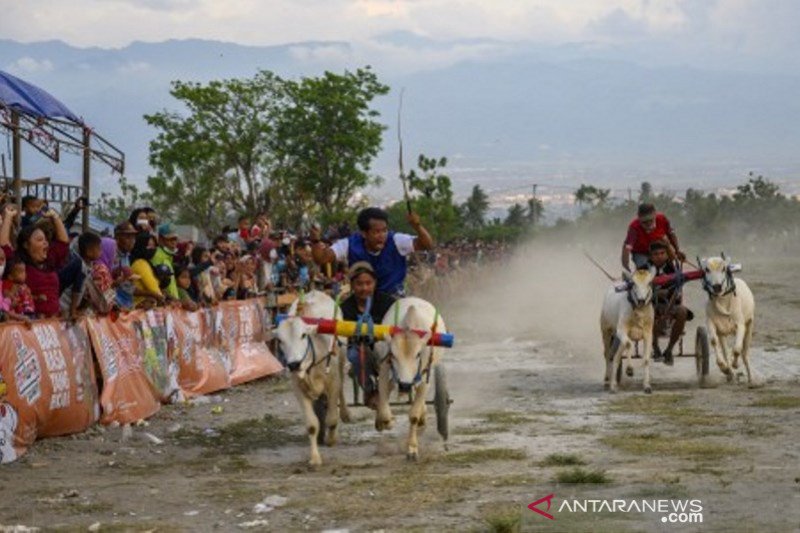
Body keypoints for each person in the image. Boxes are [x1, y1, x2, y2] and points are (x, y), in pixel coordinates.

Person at [311, 207, 434, 296]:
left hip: (394, 298)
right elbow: (321, 258)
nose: (382, 236)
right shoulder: (349, 244)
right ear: (364, 233)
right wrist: (315, 240)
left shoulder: (396, 240)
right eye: (376, 232)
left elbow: (427, 245)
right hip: (361, 298)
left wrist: (417, 226)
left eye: (384, 230)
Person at [340, 261, 397, 410]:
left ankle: (383, 391)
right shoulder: (345, 308)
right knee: (353, 355)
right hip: (358, 350)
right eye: (359, 284)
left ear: (375, 283)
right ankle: (368, 389)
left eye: (368, 283)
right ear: (352, 285)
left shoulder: (388, 303)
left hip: (386, 348)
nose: (364, 288)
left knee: (396, 356)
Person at [0, 205, 70, 318]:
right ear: (26, 245)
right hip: (31, 323)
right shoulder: (20, 264)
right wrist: (8, 216)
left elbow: (63, 243)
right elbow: (3, 246)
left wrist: (55, 217)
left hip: (53, 323)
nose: (45, 243)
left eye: (45, 240)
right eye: (39, 240)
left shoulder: (49, 262)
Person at [648, 241, 693, 366]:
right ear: (651, 257)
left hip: (670, 304)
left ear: (667, 255)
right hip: (649, 306)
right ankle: (655, 348)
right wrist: (655, 293)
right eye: (656, 254)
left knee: (682, 311)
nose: (659, 256)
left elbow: (678, 286)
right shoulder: (644, 269)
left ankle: (669, 350)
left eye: (662, 253)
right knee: (649, 313)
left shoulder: (673, 268)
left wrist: (667, 292)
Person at [622, 203, 685, 272]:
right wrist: (626, 266)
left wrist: (677, 251)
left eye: (651, 220)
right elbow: (626, 249)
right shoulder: (634, 228)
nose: (648, 224)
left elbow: (671, 235)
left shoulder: (662, 219)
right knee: (644, 268)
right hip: (641, 253)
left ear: (655, 215)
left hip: (658, 250)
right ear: (639, 219)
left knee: (669, 263)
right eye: (645, 222)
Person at [130, 232, 165, 308]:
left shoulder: (147, 263)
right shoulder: (140, 263)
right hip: (138, 308)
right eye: (148, 246)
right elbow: (153, 288)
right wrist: (161, 298)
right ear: (140, 245)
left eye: (154, 246)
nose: (152, 249)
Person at [151, 223, 180, 300]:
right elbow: (156, 283)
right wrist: (171, 298)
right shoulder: (157, 255)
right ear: (160, 239)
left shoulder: (168, 255)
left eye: (175, 239)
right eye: (170, 239)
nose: (174, 242)